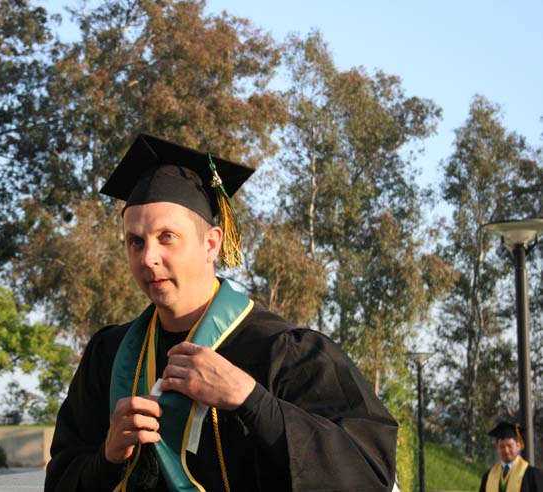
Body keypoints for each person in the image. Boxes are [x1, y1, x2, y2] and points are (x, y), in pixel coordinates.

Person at [44, 133, 398, 491]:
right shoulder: (108, 356)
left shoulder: (284, 351)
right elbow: (60, 481)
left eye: (166, 236)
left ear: (211, 243)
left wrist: (251, 399)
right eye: (135, 241)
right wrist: (108, 456)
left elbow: (367, 473)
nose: (148, 258)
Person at [479, 421, 543, 492]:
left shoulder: (532, 475)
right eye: (502, 447)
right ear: (497, 447)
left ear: (518, 446)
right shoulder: (488, 476)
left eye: (510, 446)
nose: (506, 450)